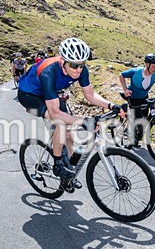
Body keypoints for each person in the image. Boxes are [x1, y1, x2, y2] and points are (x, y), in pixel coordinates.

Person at [17, 38, 123, 179]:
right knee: (60, 122)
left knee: (69, 136)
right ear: (63, 61)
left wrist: (112, 105)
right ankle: (58, 165)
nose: (78, 70)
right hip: (29, 95)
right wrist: (83, 121)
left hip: (51, 93)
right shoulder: (49, 72)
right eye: (74, 65)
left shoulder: (81, 70)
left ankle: (69, 172)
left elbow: (90, 95)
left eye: (82, 65)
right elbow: (55, 113)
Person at [119, 54, 155, 146]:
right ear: (147, 64)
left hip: (144, 98)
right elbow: (121, 75)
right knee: (139, 119)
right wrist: (125, 89)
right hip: (133, 98)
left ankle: (136, 137)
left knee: (145, 120)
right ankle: (129, 132)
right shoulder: (136, 71)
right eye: (153, 67)